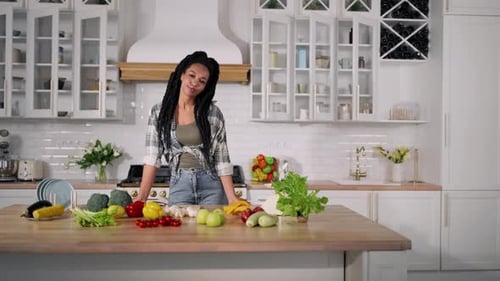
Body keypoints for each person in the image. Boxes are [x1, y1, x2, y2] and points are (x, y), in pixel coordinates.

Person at [135, 51, 240, 206]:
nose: (195, 83)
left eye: (202, 81)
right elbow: (152, 157)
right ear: (181, 74)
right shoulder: (159, 112)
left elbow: (221, 159)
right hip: (180, 185)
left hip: (211, 187)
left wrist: (232, 198)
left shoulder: (212, 113)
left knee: (213, 230)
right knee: (179, 230)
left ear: (205, 87)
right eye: (192, 75)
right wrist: (141, 197)